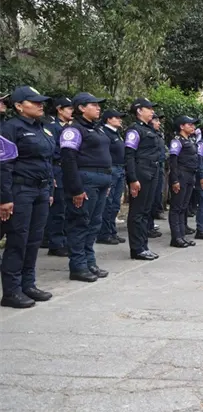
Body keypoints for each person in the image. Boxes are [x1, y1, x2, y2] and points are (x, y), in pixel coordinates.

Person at [0, 86, 54, 308]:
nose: (41, 104)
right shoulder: (11, 129)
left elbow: (47, 161)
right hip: (21, 191)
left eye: (41, 101)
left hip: (41, 190)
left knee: (34, 239)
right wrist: (5, 198)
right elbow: (4, 165)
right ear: (19, 106)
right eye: (34, 102)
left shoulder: (43, 128)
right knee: (18, 240)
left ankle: (28, 284)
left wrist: (49, 189)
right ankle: (11, 291)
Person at [60, 92, 111, 282]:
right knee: (80, 223)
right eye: (94, 104)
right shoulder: (73, 130)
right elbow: (68, 159)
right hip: (85, 180)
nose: (98, 108)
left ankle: (90, 261)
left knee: (94, 223)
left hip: (101, 180)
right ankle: (78, 266)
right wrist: (76, 189)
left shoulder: (97, 129)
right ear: (81, 108)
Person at [124, 99, 161, 260]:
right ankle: (137, 248)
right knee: (137, 212)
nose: (152, 111)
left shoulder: (149, 129)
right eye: (149, 108)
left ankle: (144, 245)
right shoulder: (134, 130)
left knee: (146, 211)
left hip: (153, 171)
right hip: (141, 171)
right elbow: (129, 155)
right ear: (139, 111)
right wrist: (132, 178)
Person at [168, 116, 203, 248]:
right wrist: (174, 180)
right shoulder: (177, 141)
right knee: (176, 207)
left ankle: (182, 235)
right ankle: (176, 237)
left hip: (190, 175)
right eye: (190, 125)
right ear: (181, 126)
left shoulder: (190, 140)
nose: (193, 127)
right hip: (181, 175)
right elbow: (172, 162)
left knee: (184, 207)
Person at [43, 97, 73, 256]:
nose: (71, 111)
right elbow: (49, 151)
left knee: (69, 207)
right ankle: (55, 243)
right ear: (59, 109)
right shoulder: (51, 127)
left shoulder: (72, 127)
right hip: (57, 169)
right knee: (58, 208)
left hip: (69, 170)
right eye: (68, 108)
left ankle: (65, 240)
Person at [97, 109, 126, 245]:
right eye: (117, 117)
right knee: (107, 203)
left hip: (119, 169)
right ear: (108, 119)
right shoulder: (104, 132)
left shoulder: (116, 133)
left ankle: (112, 231)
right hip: (111, 169)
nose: (120, 119)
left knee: (115, 203)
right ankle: (104, 233)